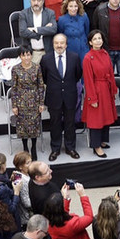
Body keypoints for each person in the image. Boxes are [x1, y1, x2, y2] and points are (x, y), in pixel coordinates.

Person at [40, 33, 82, 161]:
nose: (59, 45)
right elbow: (44, 78)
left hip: (70, 95)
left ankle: (70, 148)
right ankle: (55, 149)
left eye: (61, 43)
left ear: (66, 44)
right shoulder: (46, 59)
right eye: (56, 43)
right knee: (55, 123)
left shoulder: (74, 57)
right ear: (53, 44)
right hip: (54, 96)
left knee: (70, 122)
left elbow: (77, 75)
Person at [81, 29, 118, 159]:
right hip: (96, 89)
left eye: (100, 38)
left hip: (106, 89)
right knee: (96, 119)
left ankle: (102, 140)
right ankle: (96, 146)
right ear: (90, 42)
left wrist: (113, 88)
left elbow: (111, 73)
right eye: (95, 39)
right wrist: (92, 98)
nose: (98, 41)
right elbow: (88, 80)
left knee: (105, 117)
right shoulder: (87, 58)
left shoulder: (105, 53)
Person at [8, 46, 45, 161]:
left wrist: (41, 103)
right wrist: (14, 105)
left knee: (34, 125)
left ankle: (33, 147)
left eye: (28, 54)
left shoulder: (37, 67)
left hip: (34, 100)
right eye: (24, 55)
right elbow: (13, 88)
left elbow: (41, 86)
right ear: (20, 56)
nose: (26, 57)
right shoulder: (15, 69)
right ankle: (25, 147)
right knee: (22, 126)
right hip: (21, 101)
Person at [18, 0, 57, 64]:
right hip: (31, 53)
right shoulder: (23, 14)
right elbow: (22, 32)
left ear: (43, 1)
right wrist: (42, 33)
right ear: (30, 1)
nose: (36, 3)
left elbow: (53, 29)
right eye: (33, 0)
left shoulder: (50, 13)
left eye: (38, 0)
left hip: (47, 52)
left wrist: (35, 29)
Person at [57, 0, 90, 66]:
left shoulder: (84, 16)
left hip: (83, 49)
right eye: (71, 6)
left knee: (84, 69)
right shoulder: (62, 20)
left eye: (75, 6)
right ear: (67, 7)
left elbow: (87, 31)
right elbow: (61, 34)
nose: (73, 9)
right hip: (70, 49)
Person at [12, 151, 33, 230]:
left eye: (31, 161)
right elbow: (27, 203)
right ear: (20, 167)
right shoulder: (22, 180)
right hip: (27, 218)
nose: (31, 164)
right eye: (28, 163)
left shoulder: (24, 175)